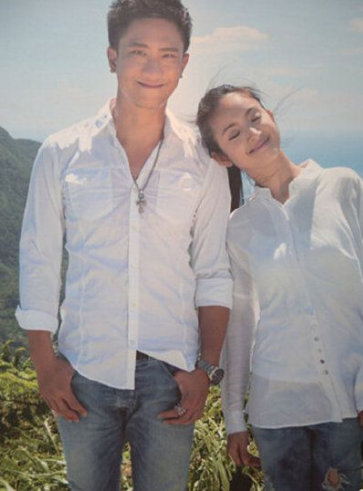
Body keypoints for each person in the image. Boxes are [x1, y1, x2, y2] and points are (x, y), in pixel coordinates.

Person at [16, 2, 233, 490]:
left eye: (168, 54)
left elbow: (214, 272)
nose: (153, 68)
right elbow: (39, 262)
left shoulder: (203, 163)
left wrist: (205, 370)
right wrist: (46, 366)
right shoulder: (61, 153)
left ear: (184, 64)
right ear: (112, 57)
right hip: (84, 372)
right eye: (138, 52)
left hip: (171, 376)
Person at [196, 84, 363, 491]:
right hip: (275, 413)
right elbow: (241, 328)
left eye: (254, 117)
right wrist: (234, 418)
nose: (252, 133)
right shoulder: (240, 226)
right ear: (223, 157)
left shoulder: (343, 187)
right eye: (234, 133)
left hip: (348, 406)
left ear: (270, 115)